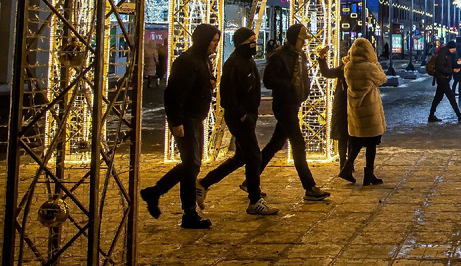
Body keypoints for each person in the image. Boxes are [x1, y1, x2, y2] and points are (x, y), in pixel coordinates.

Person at [140, 23, 219, 229]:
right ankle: (184, 209)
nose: (215, 46)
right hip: (187, 119)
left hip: (195, 118)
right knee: (191, 165)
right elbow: (173, 93)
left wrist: (208, 84)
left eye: (217, 41)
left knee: (192, 165)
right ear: (203, 41)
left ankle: (159, 195)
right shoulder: (188, 61)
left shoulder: (202, 60)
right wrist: (176, 122)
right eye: (213, 41)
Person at [196, 28, 276, 216]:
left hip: (248, 115)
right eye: (251, 41)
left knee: (242, 157)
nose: (254, 44)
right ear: (241, 43)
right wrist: (242, 114)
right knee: (254, 156)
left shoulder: (248, 61)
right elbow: (228, 95)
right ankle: (255, 200)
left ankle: (204, 183)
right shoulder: (233, 64)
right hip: (240, 118)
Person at [257, 24, 331, 202]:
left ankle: (250, 179)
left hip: (294, 104)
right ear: (293, 39)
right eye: (301, 40)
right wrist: (289, 83)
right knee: (298, 144)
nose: (304, 43)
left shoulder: (300, 55)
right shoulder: (279, 56)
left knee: (275, 144)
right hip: (284, 105)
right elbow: (268, 80)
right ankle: (309, 187)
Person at [341, 37, 386, 185]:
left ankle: (347, 168)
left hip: (355, 108)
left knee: (358, 141)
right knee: (371, 143)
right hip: (369, 108)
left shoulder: (348, 67)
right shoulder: (369, 67)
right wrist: (376, 62)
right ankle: (368, 175)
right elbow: (382, 79)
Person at [316, 41, 350, 174]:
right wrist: (322, 58)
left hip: (348, 105)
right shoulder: (343, 69)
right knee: (345, 136)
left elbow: (327, 73)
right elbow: (327, 73)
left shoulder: (350, 68)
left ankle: (346, 163)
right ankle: (344, 163)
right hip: (345, 105)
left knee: (347, 137)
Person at [428, 41, 461, 122]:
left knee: (438, 98)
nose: (454, 50)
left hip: (444, 78)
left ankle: (431, 115)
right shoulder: (443, 55)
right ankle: (459, 115)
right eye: (454, 48)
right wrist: (452, 70)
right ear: (450, 48)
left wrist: (458, 62)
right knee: (451, 97)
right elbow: (441, 68)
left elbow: (451, 64)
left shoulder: (449, 54)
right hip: (442, 79)